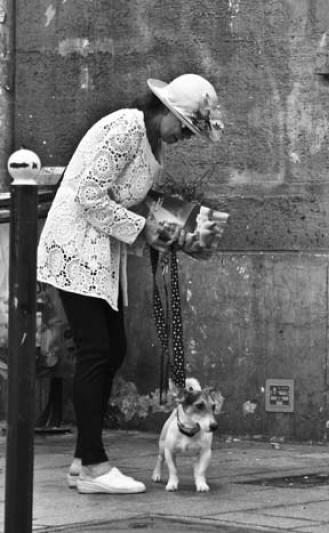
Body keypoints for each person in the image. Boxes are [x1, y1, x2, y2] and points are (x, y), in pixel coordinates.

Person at [36, 73, 224, 494]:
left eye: (194, 133)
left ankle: (85, 459)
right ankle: (93, 467)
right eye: (186, 127)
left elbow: (130, 199)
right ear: (167, 111)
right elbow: (88, 195)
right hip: (75, 245)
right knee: (97, 350)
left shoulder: (150, 141)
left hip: (100, 251)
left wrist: (181, 224)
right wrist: (144, 230)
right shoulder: (126, 127)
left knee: (111, 348)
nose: (186, 137)